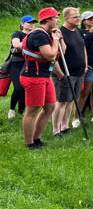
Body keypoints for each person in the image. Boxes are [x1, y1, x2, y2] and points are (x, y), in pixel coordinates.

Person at [20, 8, 63, 149]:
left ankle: (37, 138)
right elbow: (50, 55)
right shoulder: (39, 35)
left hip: (44, 76)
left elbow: (62, 52)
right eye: (56, 18)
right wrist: (55, 40)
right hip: (33, 77)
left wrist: (59, 39)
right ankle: (29, 143)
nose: (58, 20)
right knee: (32, 110)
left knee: (50, 106)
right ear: (48, 19)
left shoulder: (49, 34)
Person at [52, 7, 86, 135]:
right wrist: (60, 73)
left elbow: (83, 49)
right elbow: (55, 55)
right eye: (75, 17)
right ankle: (56, 129)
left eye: (79, 16)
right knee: (61, 101)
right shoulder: (60, 33)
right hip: (65, 72)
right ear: (66, 18)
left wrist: (85, 65)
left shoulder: (77, 31)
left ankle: (65, 125)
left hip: (79, 71)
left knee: (71, 99)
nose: (79, 19)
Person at [7, 16, 37, 119]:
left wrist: (21, 46)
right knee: (19, 87)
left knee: (26, 87)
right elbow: (16, 45)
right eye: (29, 22)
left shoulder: (35, 35)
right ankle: (11, 109)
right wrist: (26, 42)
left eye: (33, 23)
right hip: (15, 64)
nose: (31, 24)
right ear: (22, 24)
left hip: (29, 64)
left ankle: (21, 110)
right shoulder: (17, 34)